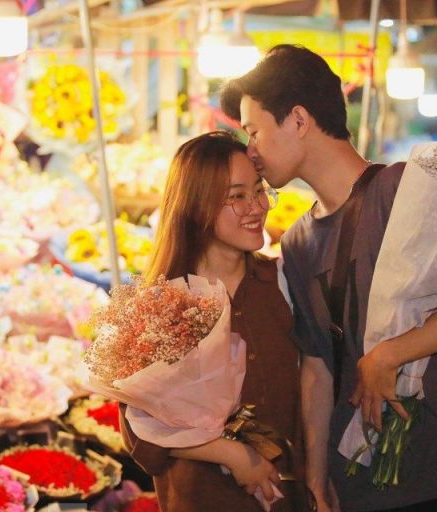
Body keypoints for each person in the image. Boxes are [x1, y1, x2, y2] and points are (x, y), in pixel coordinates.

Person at [221, 45, 437, 512]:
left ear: (297, 119)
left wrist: (389, 355)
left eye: (253, 131)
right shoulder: (296, 243)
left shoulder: (401, 191)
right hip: (361, 483)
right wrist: (316, 472)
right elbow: (316, 366)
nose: (250, 151)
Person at [120, 131, 307, 512]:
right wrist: (232, 454)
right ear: (196, 204)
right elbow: (140, 436)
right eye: (236, 196)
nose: (256, 207)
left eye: (258, 191)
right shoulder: (162, 303)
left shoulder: (285, 283)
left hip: (287, 497)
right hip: (200, 499)